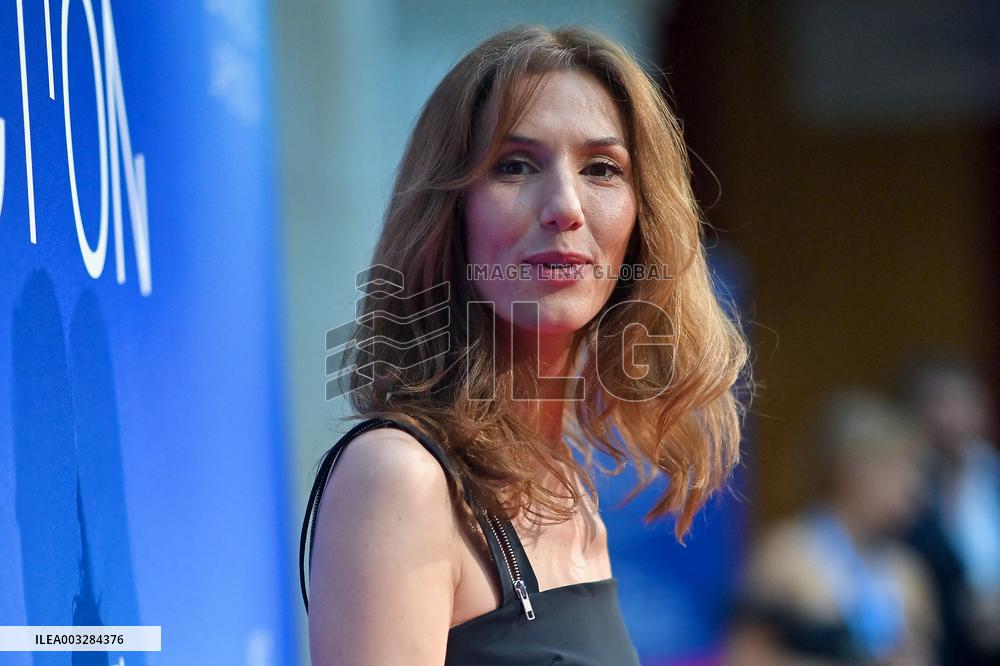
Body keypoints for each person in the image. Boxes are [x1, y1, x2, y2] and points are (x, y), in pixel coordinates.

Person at [299, 24, 749, 665]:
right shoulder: (402, 480)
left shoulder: (568, 484)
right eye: (515, 165)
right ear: (449, 212)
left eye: (602, 169)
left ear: (642, 221)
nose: (565, 206)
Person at [726, 390, 938, 666]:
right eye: (898, 470)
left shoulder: (908, 569)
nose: (913, 488)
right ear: (851, 471)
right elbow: (744, 658)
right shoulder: (786, 555)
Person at [893, 352, 1000, 665]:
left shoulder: (994, 476)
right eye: (937, 401)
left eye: (960, 399)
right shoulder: (902, 488)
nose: (949, 415)